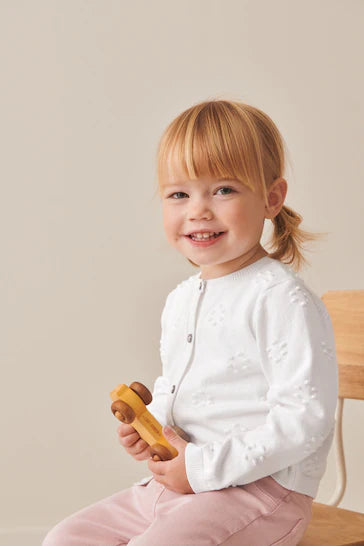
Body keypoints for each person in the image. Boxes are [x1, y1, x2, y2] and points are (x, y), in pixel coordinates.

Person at [43, 99, 338, 545]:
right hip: (177, 486)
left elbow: (304, 421)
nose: (198, 210)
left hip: (258, 493)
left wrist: (199, 467)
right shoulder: (181, 300)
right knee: (66, 538)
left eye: (223, 190)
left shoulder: (280, 299)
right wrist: (153, 426)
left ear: (272, 198)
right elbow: (178, 390)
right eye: (179, 194)